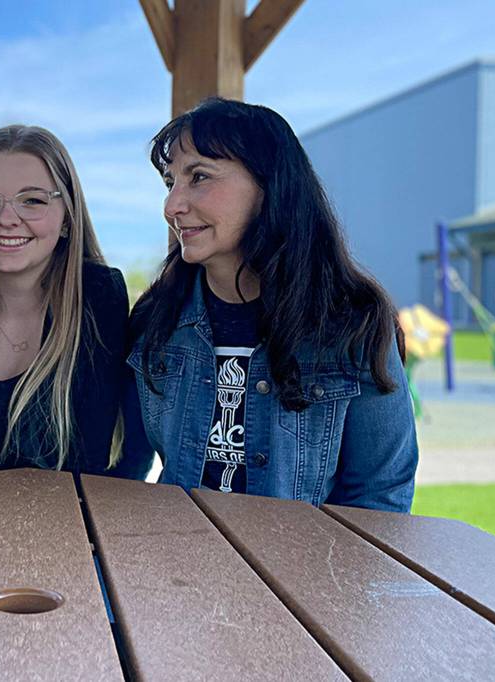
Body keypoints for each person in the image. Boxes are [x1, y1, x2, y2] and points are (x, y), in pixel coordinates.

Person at [128, 98, 418, 512]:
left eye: (199, 177)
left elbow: (380, 496)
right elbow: (125, 471)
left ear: (269, 188)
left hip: (304, 572)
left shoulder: (354, 321)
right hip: (175, 566)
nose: (172, 205)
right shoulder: (155, 317)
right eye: (171, 182)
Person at [0, 125, 151, 479]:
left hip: (66, 525)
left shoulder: (97, 296)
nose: (7, 219)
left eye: (32, 200)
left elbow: (98, 454)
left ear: (67, 217)